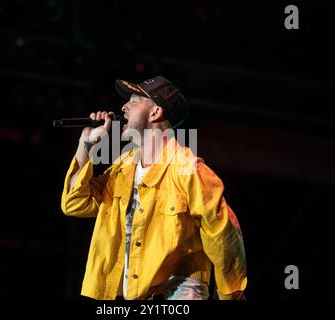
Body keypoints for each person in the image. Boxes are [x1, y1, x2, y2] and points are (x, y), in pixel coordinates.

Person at [61, 76, 247, 300]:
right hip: (133, 294)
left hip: (178, 293)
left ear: (155, 113)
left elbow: (223, 235)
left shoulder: (188, 169)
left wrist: (231, 297)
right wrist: (86, 144)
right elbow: (74, 204)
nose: (123, 107)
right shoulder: (123, 167)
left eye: (134, 100)